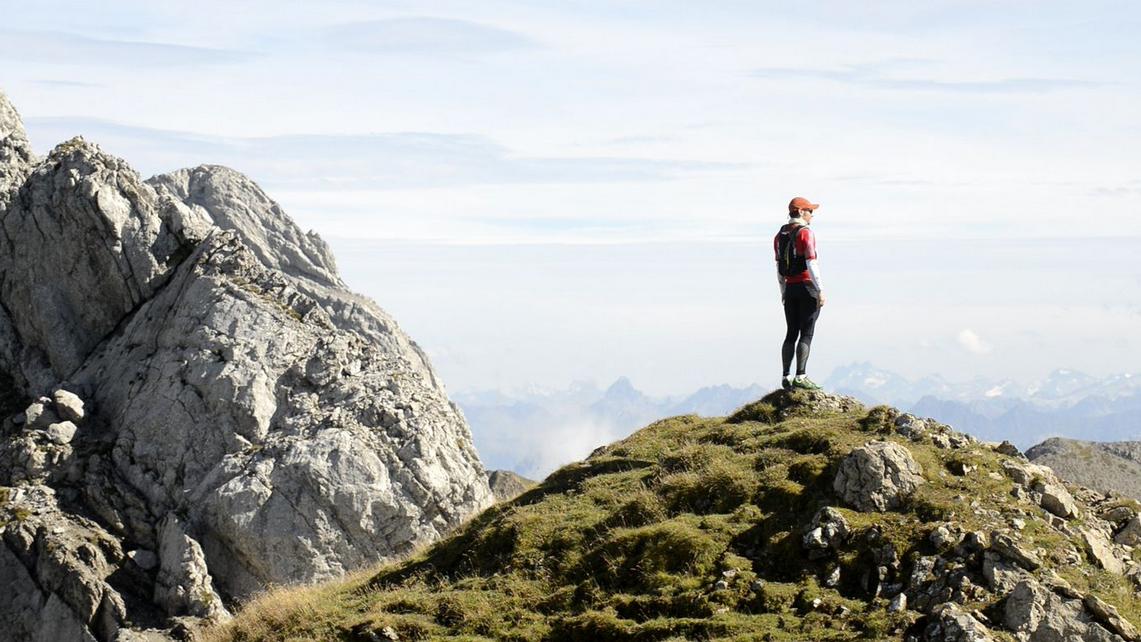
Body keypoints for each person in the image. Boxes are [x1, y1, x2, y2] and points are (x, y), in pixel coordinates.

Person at [774, 196, 825, 390]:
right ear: (801, 212)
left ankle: (786, 376)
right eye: (810, 211)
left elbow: (779, 268)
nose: (812, 214)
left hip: (790, 289)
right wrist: (820, 290)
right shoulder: (806, 233)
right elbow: (811, 262)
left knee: (790, 333)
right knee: (807, 333)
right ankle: (801, 376)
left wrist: (783, 291)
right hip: (807, 287)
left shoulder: (780, 236)